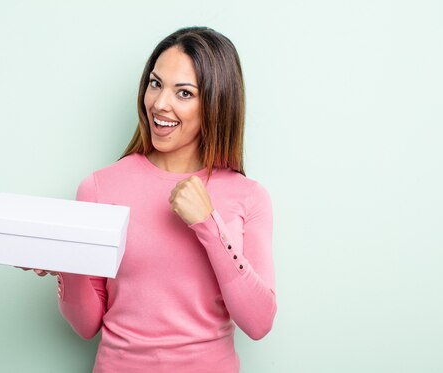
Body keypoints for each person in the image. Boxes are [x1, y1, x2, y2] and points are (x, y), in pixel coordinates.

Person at [21, 26, 276, 372]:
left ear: (216, 103)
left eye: (184, 93)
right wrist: (69, 261)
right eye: (155, 84)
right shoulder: (99, 187)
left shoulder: (248, 196)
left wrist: (209, 224)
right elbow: (86, 326)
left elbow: (259, 322)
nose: (159, 103)